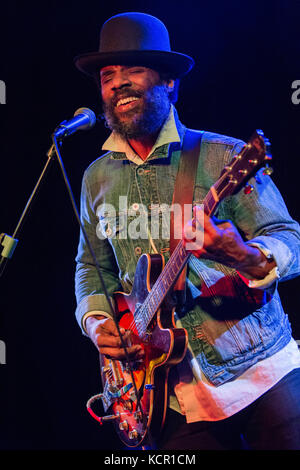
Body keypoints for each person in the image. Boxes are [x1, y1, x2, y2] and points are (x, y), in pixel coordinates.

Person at [73, 12, 300, 450]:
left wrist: (245, 255)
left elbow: (290, 239)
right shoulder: (95, 179)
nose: (118, 82)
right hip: (169, 398)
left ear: (170, 82)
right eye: (108, 74)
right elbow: (90, 267)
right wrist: (97, 321)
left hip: (261, 374)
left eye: (133, 69)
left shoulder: (226, 156)